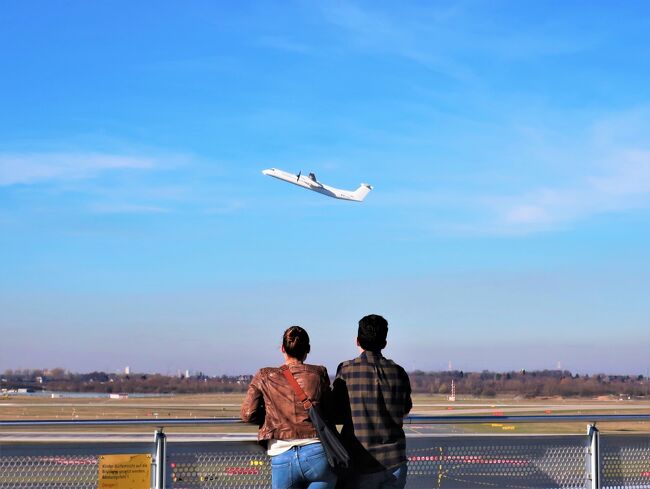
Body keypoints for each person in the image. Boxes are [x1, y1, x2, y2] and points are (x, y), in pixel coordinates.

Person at [241, 326, 337, 489]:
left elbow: (248, 414)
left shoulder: (264, 375)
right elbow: (330, 410)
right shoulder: (319, 373)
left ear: (283, 348)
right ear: (308, 349)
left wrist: (270, 416)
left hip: (282, 453)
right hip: (317, 452)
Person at [332, 314, 412, 489]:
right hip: (395, 461)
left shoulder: (346, 370)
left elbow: (336, 413)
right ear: (384, 343)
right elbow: (405, 409)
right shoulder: (399, 372)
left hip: (361, 460)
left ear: (357, 341)